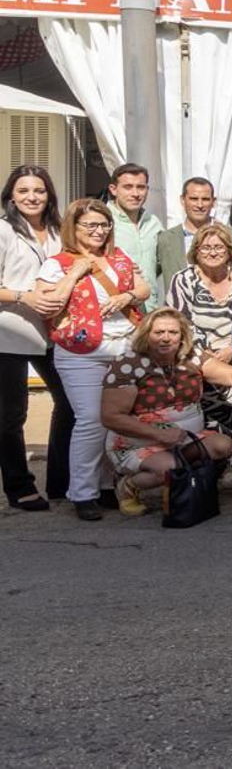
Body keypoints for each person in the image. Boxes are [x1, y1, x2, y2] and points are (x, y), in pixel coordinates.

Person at [38, 198, 151, 520]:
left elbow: (143, 289)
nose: (99, 231)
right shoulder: (56, 263)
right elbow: (50, 302)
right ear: (73, 228)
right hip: (81, 352)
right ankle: (82, 492)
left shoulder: (119, 258)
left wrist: (125, 296)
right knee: (90, 420)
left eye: (104, 225)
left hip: (125, 346)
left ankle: (104, 487)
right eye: (90, 225)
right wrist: (76, 271)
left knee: (116, 420)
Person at [97, 309, 232, 516]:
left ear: (182, 336)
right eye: (159, 332)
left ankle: (191, 481)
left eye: (172, 332)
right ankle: (129, 485)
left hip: (183, 439)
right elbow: (111, 417)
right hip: (137, 443)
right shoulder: (127, 364)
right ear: (146, 334)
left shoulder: (192, 357)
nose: (165, 338)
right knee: (169, 469)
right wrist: (160, 434)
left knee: (223, 446)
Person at [0, 165, 68, 510]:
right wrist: (24, 296)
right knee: (11, 415)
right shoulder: (3, 231)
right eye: (24, 190)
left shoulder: (59, 231)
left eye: (38, 190)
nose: (31, 197)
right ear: (11, 195)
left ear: (49, 194)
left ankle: (60, 480)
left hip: (54, 332)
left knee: (70, 404)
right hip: (9, 333)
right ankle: (19, 486)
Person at [166, 222, 232, 432]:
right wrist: (204, 354)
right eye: (205, 248)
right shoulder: (184, 280)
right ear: (196, 251)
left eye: (219, 247)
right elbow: (180, 322)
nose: (212, 253)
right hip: (195, 352)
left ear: (229, 250)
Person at [155, 176, 232, 295]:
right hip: (178, 309)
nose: (200, 205)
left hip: (220, 308)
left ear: (213, 202)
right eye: (194, 199)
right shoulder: (166, 238)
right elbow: (150, 276)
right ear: (182, 200)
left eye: (205, 199)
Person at [106, 164, 162, 313]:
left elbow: (158, 264)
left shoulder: (154, 223)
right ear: (113, 189)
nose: (135, 193)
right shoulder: (102, 221)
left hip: (149, 309)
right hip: (114, 309)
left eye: (141, 187)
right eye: (128, 187)